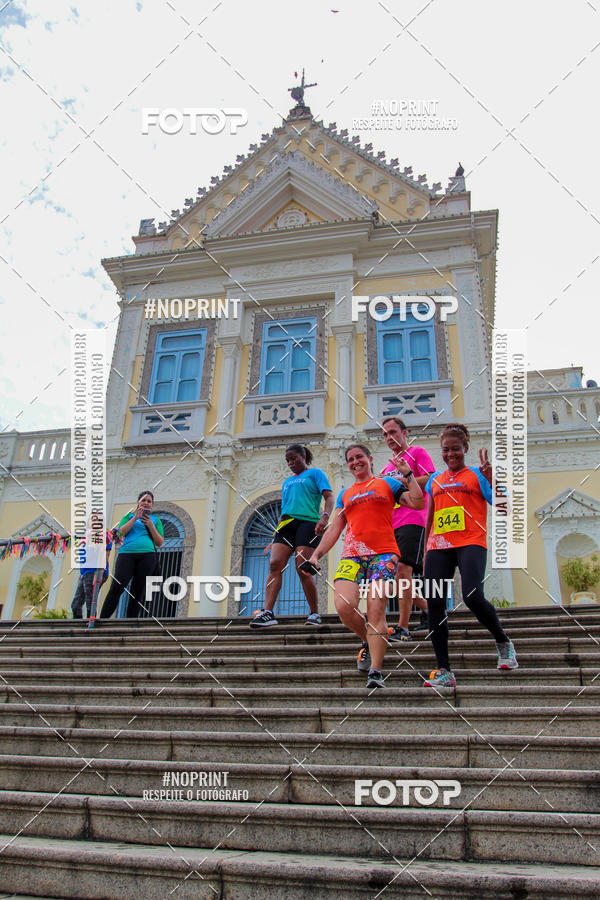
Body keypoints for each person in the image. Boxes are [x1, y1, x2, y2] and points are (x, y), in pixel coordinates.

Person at [306, 443, 424, 689]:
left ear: (369, 459)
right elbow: (335, 529)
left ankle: (375, 671)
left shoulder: (387, 484)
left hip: (383, 555)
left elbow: (417, 503)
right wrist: (317, 554)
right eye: (350, 459)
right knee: (343, 605)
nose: (355, 462)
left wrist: (409, 476)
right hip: (352, 556)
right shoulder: (345, 494)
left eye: (359, 457)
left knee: (375, 608)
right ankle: (370, 640)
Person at [422, 423, 518, 687]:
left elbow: (506, 508)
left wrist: (492, 479)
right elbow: (430, 514)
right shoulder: (435, 480)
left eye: (456, 449)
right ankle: (444, 670)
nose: (451, 454)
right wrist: (425, 549)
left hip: (470, 542)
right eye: (446, 450)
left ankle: (502, 641)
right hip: (438, 546)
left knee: (472, 595)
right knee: (435, 604)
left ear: (465, 448)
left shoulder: (477, 475)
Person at [250, 444, 333, 628]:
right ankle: (268, 613)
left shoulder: (315, 474)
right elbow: (285, 509)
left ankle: (314, 613)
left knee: (302, 568)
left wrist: (324, 517)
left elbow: (329, 497)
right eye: (288, 460)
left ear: (303, 456)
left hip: (308, 523)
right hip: (286, 525)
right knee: (274, 564)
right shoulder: (287, 482)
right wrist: (275, 539)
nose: (290, 463)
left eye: (293, 458)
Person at [381, 416, 435, 641]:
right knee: (396, 577)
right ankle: (430, 611)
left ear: (404, 433)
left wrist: (403, 481)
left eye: (393, 432)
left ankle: (403, 626)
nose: (389, 437)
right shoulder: (387, 466)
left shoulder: (417, 452)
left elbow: (431, 478)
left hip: (414, 518)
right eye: (385, 434)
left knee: (404, 570)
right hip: (391, 524)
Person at [100, 491, 164, 619]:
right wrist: (135, 518)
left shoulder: (156, 521)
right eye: (143, 500)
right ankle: (103, 619)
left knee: (138, 590)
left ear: (152, 505)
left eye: (149, 501)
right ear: (138, 502)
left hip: (147, 556)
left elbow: (159, 542)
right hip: (127, 554)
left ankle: (130, 621)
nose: (146, 503)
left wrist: (150, 525)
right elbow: (120, 533)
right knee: (117, 586)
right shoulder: (128, 516)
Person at [71, 529, 113, 619]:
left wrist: (100, 573)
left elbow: (106, 554)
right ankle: (79, 626)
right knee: (76, 604)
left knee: (90, 602)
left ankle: (91, 624)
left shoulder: (103, 535)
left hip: (95, 571)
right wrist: (81, 574)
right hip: (86, 573)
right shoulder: (86, 536)